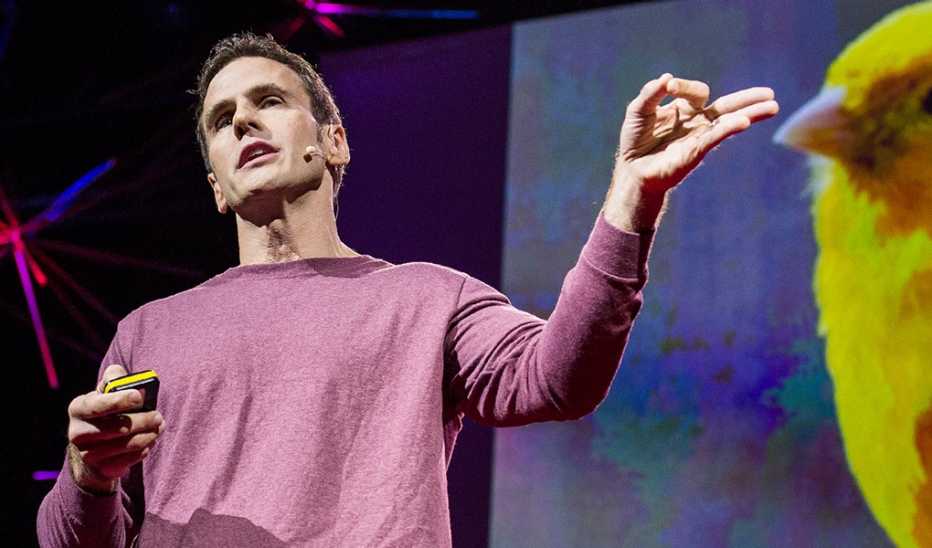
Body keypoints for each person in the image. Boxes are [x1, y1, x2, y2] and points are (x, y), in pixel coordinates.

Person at [36, 32, 778, 547]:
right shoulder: (150, 332)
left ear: (333, 141)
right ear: (216, 188)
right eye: (222, 121)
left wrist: (631, 200)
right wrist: (86, 477)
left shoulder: (429, 300)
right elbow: (72, 538)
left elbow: (561, 377)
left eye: (268, 101)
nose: (244, 124)